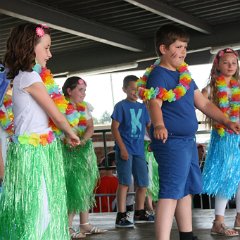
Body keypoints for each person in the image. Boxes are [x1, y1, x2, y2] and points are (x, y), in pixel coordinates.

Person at [137, 24, 240, 240]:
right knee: (170, 192)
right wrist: (158, 124)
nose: (183, 51)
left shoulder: (184, 74)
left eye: (185, 47)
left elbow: (202, 102)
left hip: (187, 141)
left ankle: (187, 235)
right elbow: (154, 102)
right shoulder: (159, 74)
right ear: (164, 49)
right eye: (178, 46)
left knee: (185, 189)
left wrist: (226, 120)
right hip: (170, 141)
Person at [0, 23, 80, 239]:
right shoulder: (30, 78)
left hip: (38, 150)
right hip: (32, 154)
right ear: (29, 47)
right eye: (46, 48)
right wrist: (71, 133)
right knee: (40, 211)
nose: (50, 53)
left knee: (40, 209)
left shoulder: (21, 78)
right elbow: (55, 114)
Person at [62, 76, 107, 238]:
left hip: (83, 150)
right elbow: (58, 127)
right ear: (69, 91)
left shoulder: (84, 107)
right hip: (67, 152)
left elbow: (90, 126)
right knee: (73, 187)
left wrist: (83, 140)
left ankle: (84, 224)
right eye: (80, 90)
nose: (84, 94)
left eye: (84, 90)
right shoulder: (60, 106)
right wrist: (69, 139)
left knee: (86, 186)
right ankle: (67, 226)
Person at [202, 48, 240, 237]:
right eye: (226, 62)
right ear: (218, 64)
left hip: (239, 136)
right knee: (226, 178)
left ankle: (239, 217)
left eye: (234, 62)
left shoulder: (238, 85)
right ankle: (218, 221)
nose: (231, 66)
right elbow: (201, 100)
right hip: (224, 137)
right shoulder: (214, 87)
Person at [111, 75, 154, 228]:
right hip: (125, 149)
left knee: (143, 183)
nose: (135, 92)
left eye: (138, 90)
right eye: (132, 89)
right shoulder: (120, 106)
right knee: (124, 182)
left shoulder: (143, 107)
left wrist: (153, 142)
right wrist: (122, 147)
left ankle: (139, 211)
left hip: (139, 150)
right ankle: (121, 215)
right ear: (125, 90)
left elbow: (149, 126)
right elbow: (114, 128)